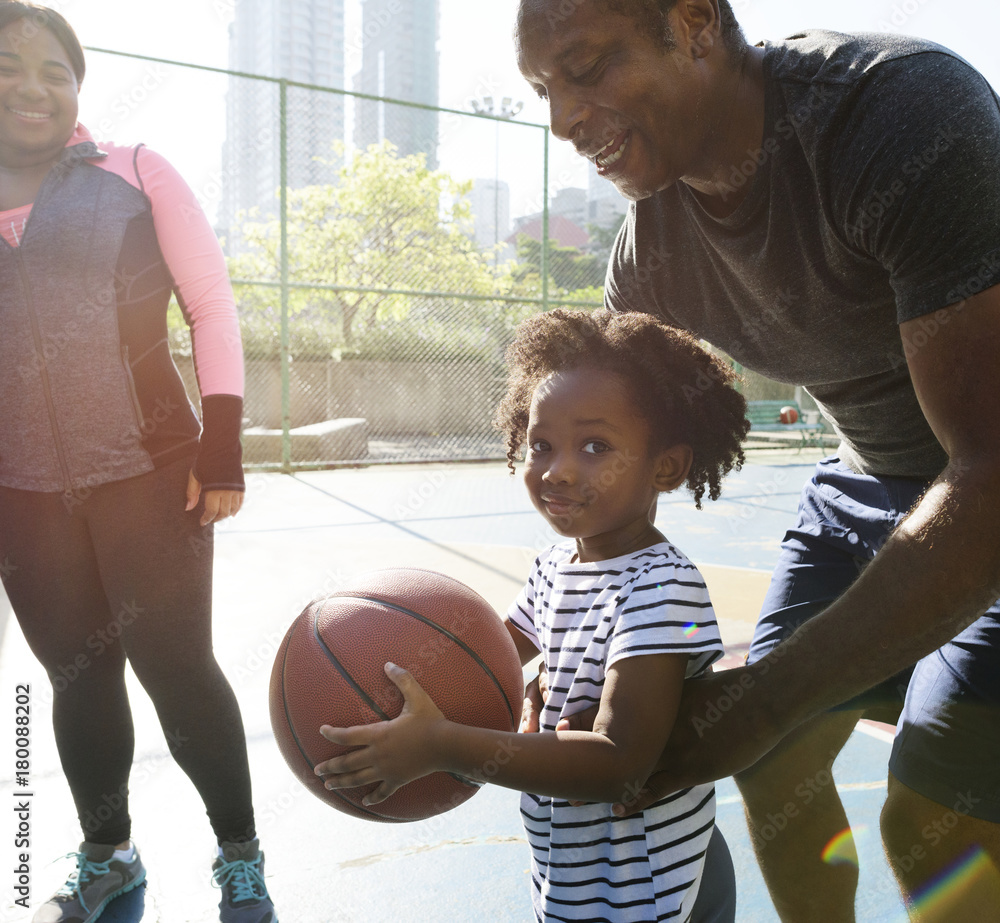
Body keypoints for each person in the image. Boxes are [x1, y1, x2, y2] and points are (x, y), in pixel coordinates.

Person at [515, 0, 1000, 920]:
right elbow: (615, 483)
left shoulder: (894, 116)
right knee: (770, 761)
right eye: (545, 90)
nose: (562, 119)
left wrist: (762, 699)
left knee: (935, 795)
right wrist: (570, 640)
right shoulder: (650, 257)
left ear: (693, 25)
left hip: (985, 481)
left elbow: (990, 471)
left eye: (584, 68)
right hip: (867, 481)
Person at [315, 308, 748, 922]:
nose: (559, 469)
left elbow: (622, 766)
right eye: (541, 445)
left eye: (596, 446)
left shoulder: (661, 588)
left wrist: (439, 745)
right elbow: (492, 649)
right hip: (575, 870)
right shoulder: (554, 566)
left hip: (651, 887)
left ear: (666, 466)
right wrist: (383, 680)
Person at [0, 4, 276, 921]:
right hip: (22, 494)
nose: (34, 85)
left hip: (151, 473)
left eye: (55, 68)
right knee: (77, 677)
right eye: (10, 65)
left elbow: (211, 307)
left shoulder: (135, 171)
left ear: (79, 86)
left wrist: (222, 442)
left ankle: (240, 855)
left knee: (176, 667)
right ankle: (108, 853)